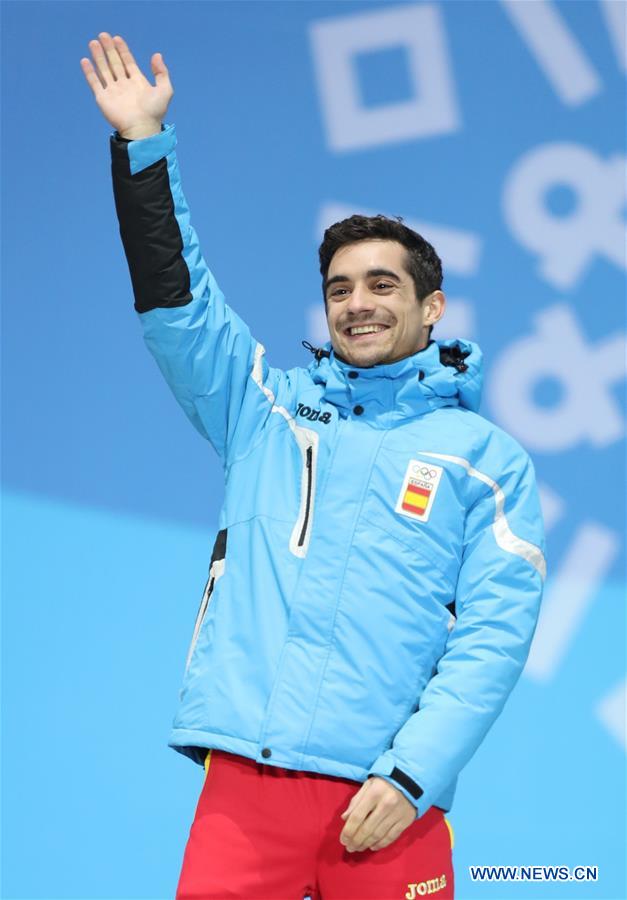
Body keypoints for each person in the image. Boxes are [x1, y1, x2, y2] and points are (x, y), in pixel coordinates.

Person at [81, 33, 546, 900]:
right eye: (338, 288)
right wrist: (144, 149)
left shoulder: (489, 465)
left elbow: (492, 640)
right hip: (245, 793)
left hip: (391, 806)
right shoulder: (264, 411)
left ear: (431, 306)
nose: (357, 304)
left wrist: (410, 777)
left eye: (381, 285)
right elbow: (179, 309)